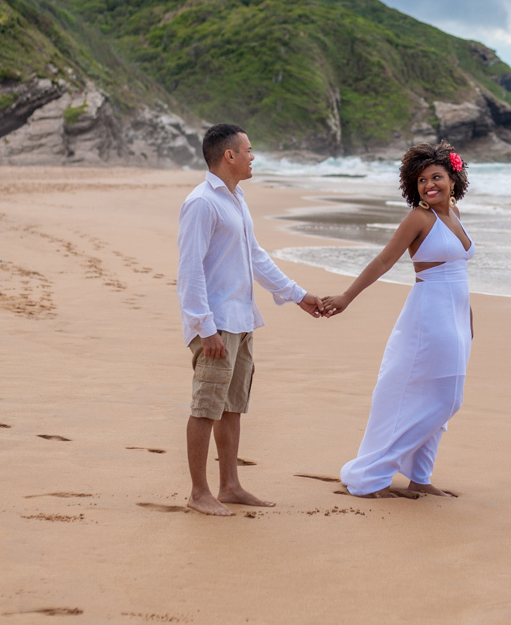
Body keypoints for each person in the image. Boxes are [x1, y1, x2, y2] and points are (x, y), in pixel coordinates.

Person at [177, 123, 324, 516]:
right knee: (206, 406)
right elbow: (189, 269)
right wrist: (204, 327)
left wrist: (298, 296)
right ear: (229, 156)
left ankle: (229, 486)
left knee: (231, 407)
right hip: (216, 322)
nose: (253, 156)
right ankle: (198, 492)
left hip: (241, 319)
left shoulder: (236, 199)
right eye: (248, 150)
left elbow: (256, 258)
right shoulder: (202, 203)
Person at [321, 141, 474, 498]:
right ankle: (370, 475)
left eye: (436, 177)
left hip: (456, 317)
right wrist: (346, 297)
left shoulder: (453, 215)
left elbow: (458, 274)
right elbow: (383, 262)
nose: (429, 185)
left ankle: (420, 476)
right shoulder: (419, 218)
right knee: (447, 398)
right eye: (421, 180)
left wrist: (468, 319)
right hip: (430, 315)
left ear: (453, 179)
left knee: (436, 394)